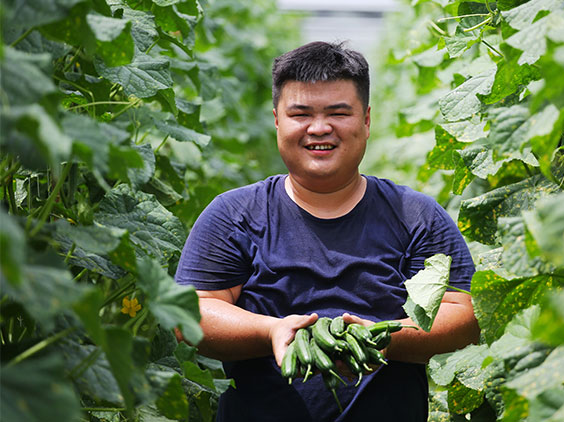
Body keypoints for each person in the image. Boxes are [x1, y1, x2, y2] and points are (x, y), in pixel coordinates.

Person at [174, 41, 479, 422]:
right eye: (300, 113)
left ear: (366, 120)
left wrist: (380, 337)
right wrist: (274, 331)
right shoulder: (233, 214)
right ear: (277, 120)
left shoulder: (416, 216)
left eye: (338, 112)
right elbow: (191, 313)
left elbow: (462, 313)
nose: (319, 128)